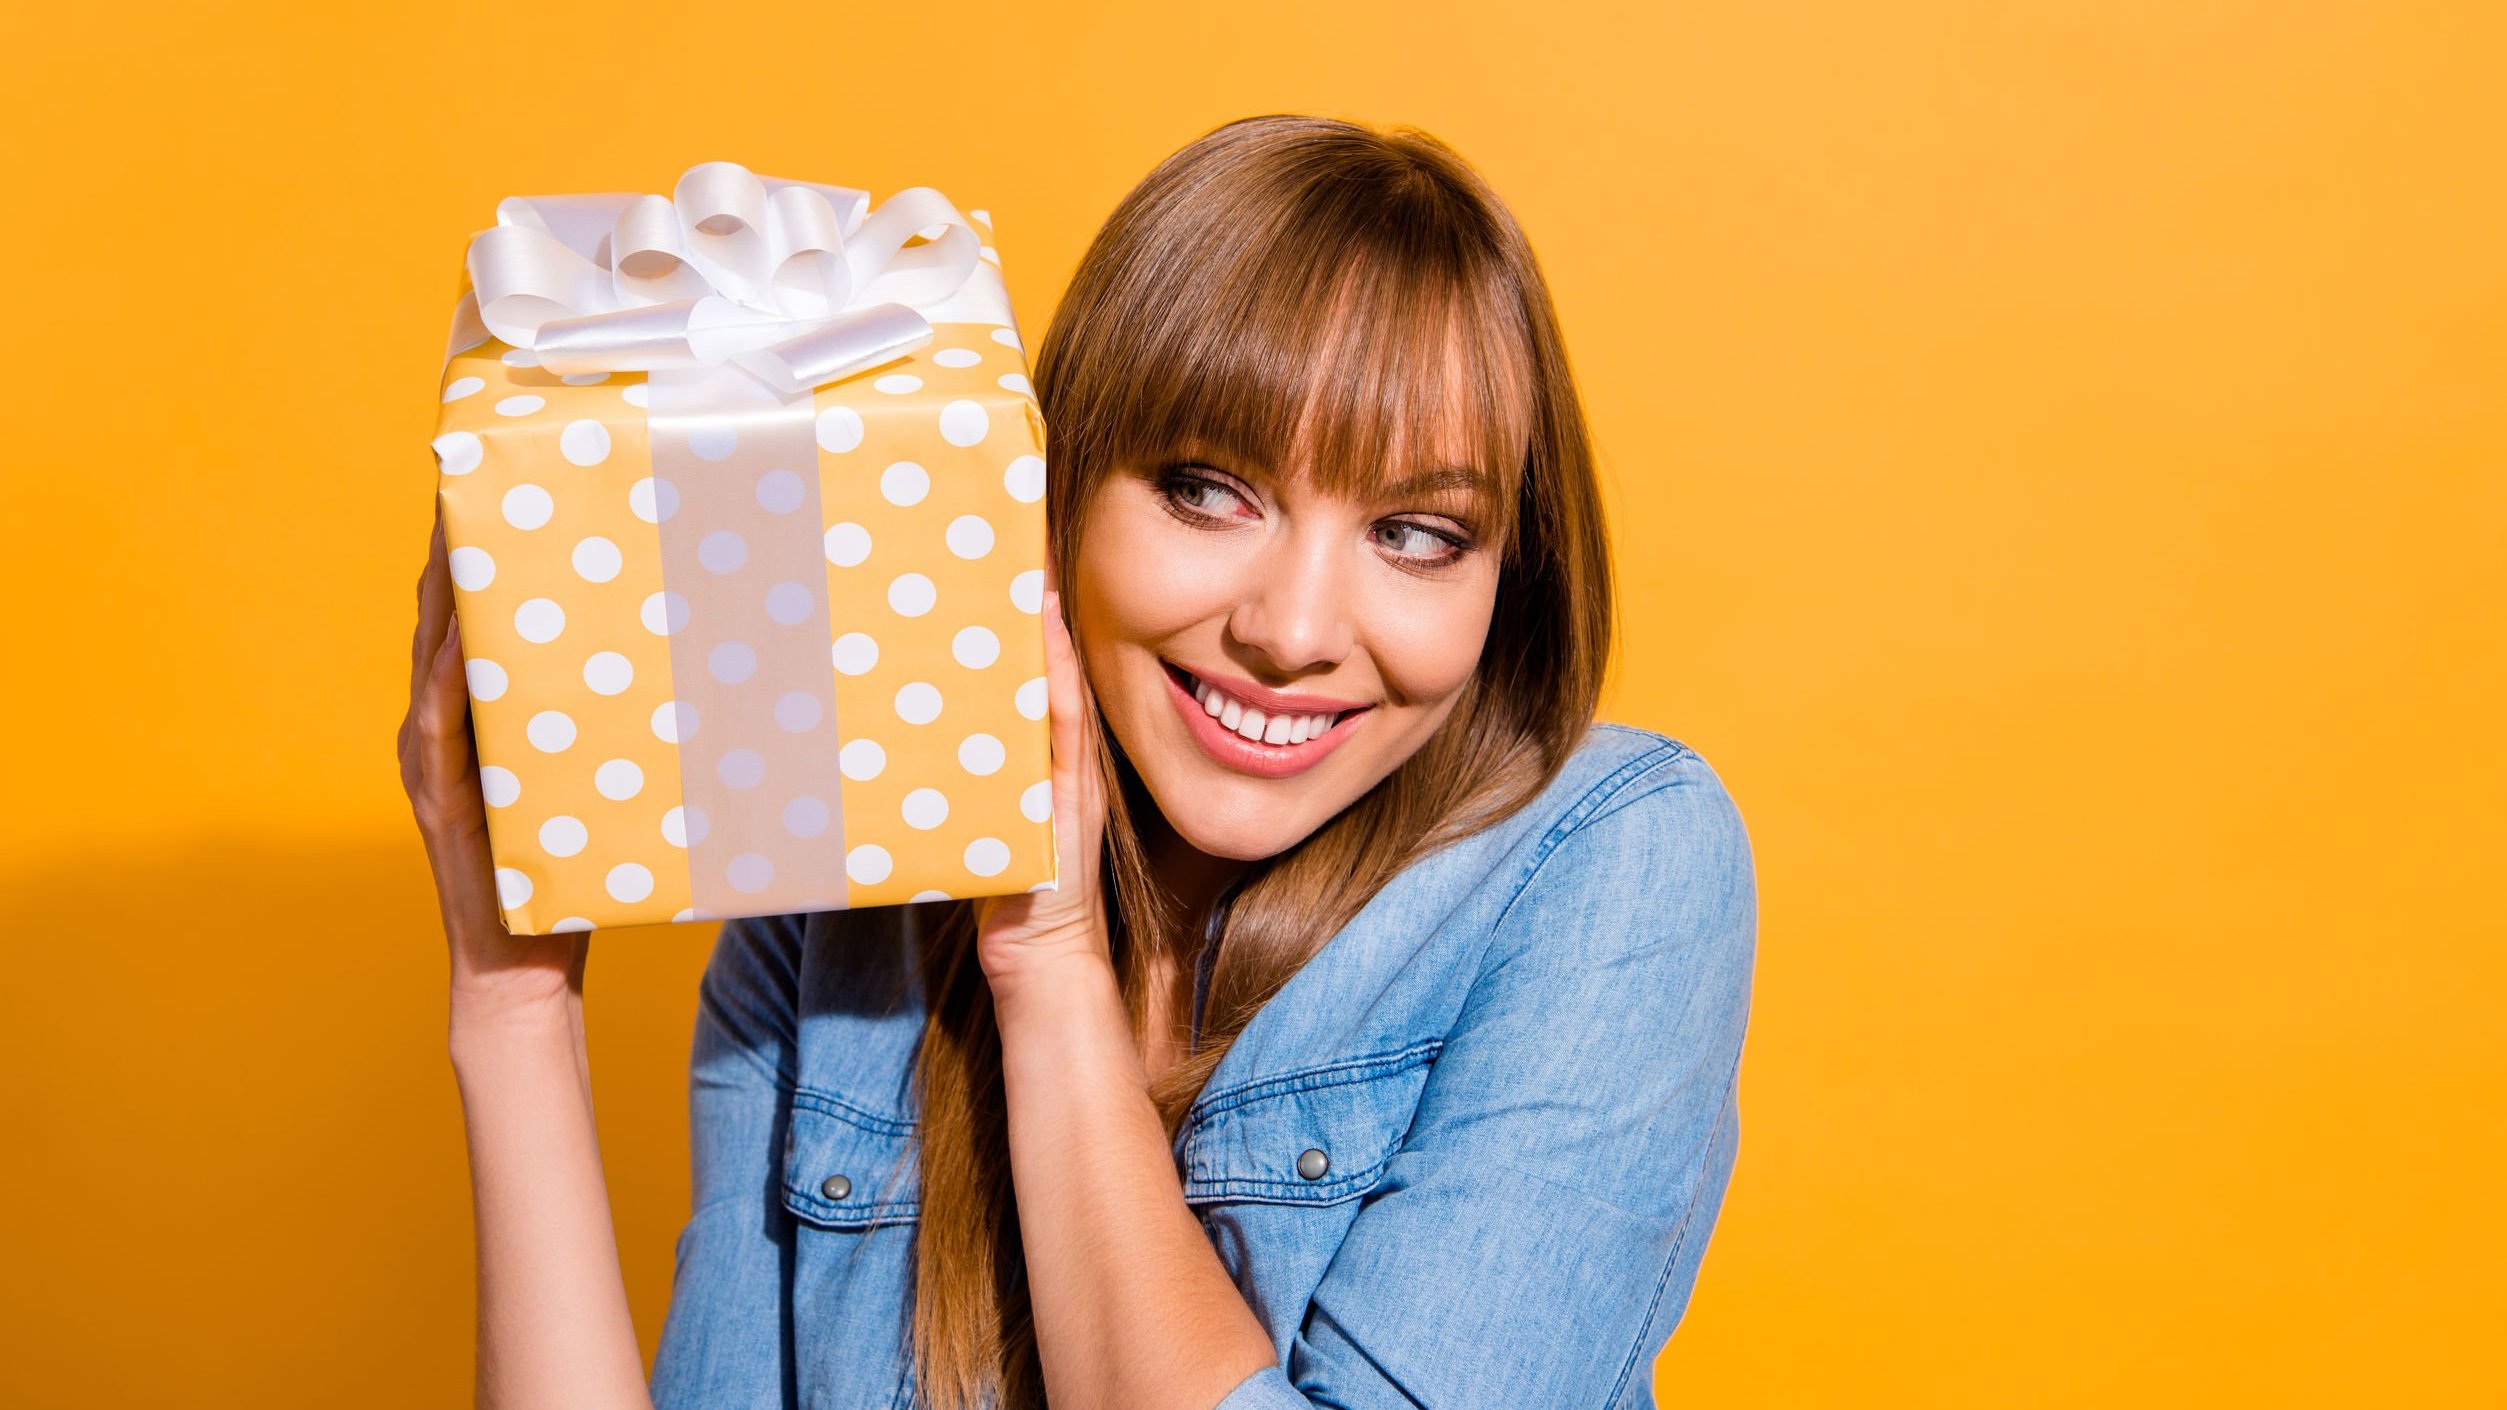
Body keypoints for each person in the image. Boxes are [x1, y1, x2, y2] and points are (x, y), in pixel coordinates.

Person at [401, 113, 1758, 1410]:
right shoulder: (845, 908)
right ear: (1051, 498)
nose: (1289, 631)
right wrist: (512, 1005)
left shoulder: (1614, 861)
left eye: (1415, 534)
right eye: (1208, 490)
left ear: (1506, 581)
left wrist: (1047, 967)